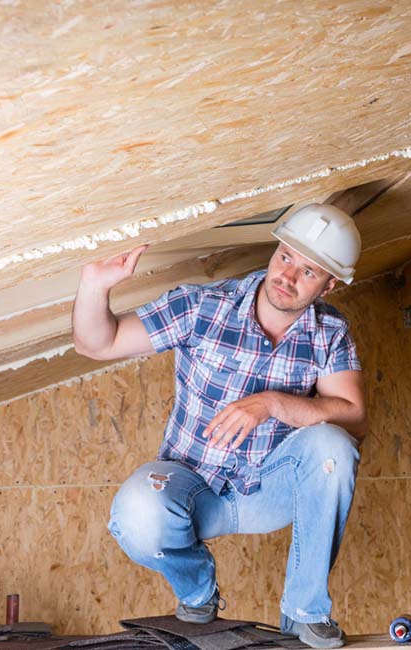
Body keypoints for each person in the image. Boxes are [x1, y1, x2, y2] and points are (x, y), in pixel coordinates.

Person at [71, 204, 367, 649]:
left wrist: (272, 404)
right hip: (193, 492)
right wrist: (95, 285)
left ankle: (305, 613)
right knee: (136, 511)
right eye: (286, 257)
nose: (287, 276)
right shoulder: (202, 306)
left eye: (309, 271)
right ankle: (197, 593)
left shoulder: (330, 332)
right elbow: (98, 343)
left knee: (334, 448)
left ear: (331, 282)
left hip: (268, 490)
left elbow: (354, 416)